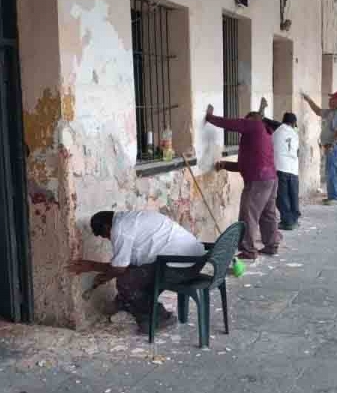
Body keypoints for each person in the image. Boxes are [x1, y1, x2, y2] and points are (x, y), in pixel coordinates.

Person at [69, 210, 206, 331]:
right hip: (192, 261)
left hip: (182, 266)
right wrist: (108, 274)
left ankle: (161, 317)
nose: (109, 239)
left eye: (106, 236)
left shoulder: (120, 229)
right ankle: (127, 304)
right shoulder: (129, 219)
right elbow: (127, 264)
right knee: (134, 274)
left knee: (126, 281)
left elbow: (119, 268)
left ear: (107, 226)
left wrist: (92, 266)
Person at [204, 103, 279, 258]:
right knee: (268, 214)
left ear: (252, 119)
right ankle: (271, 244)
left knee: (248, 215)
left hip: (258, 180)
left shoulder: (255, 125)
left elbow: (231, 124)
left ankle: (249, 250)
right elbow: (248, 164)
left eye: (246, 121)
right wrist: (226, 165)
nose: (244, 126)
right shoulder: (265, 133)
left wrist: (210, 117)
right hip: (270, 178)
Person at [302, 90, 337, 204]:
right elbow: (318, 111)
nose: (329, 101)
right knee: (331, 170)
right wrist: (308, 100)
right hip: (332, 145)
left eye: (332, 99)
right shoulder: (332, 111)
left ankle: (334, 197)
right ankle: (334, 195)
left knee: (331, 171)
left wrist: (332, 144)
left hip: (335, 146)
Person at [261, 111, 301, 230]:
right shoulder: (295, 133)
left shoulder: (278, 131)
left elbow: (273, 124)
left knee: (282, 196)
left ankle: (287, 221)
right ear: (294, 123)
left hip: (280, 167)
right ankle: (294, 219)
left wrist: (263, 117)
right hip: (293, 169)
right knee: (293, 194)